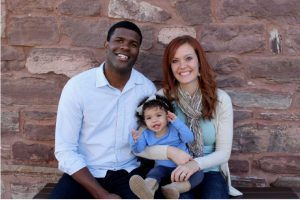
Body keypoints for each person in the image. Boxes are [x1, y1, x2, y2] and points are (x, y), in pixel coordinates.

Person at [48, 21, 157, 199]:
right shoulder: (78, 87)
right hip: (84, 174)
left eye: (133, 44)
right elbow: (65, 150)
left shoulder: (146, 89)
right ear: (107, 45)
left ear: (138, 51)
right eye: (119, 40)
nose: (125, 47)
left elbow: (153, 136)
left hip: (128, 173)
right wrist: (101, 195)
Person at [135, 35, 243, 199]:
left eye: (188, 58)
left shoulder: (220, 99)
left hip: (209, 171)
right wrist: (170, 152)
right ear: (170, 66)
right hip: (172, 171)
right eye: (175, 61)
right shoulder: (161, 99)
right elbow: (139, 146)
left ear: (199, 61)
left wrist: (195, 164)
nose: (182, 66)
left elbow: (223, 152)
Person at [129, 95, 204, 199]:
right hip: (162, 169)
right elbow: (138, 149)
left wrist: (177, 122)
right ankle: (147, 189)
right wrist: (134, 141)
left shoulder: (174, 128)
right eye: (149, 118)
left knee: (199, 174)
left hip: (182, 167)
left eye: (158, 115)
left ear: (168, 116)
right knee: (154, 173)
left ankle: (174, 188)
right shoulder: (146, 134)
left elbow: (189, 138)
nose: (154, 120)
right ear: (145, 122)